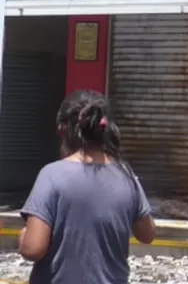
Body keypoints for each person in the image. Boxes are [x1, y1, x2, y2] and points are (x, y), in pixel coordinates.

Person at [18, 89, 156, 284]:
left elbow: (33, 249)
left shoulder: (52, 174)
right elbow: (147, 234)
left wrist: (23, 236)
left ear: (61, 130)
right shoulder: (126, 175)